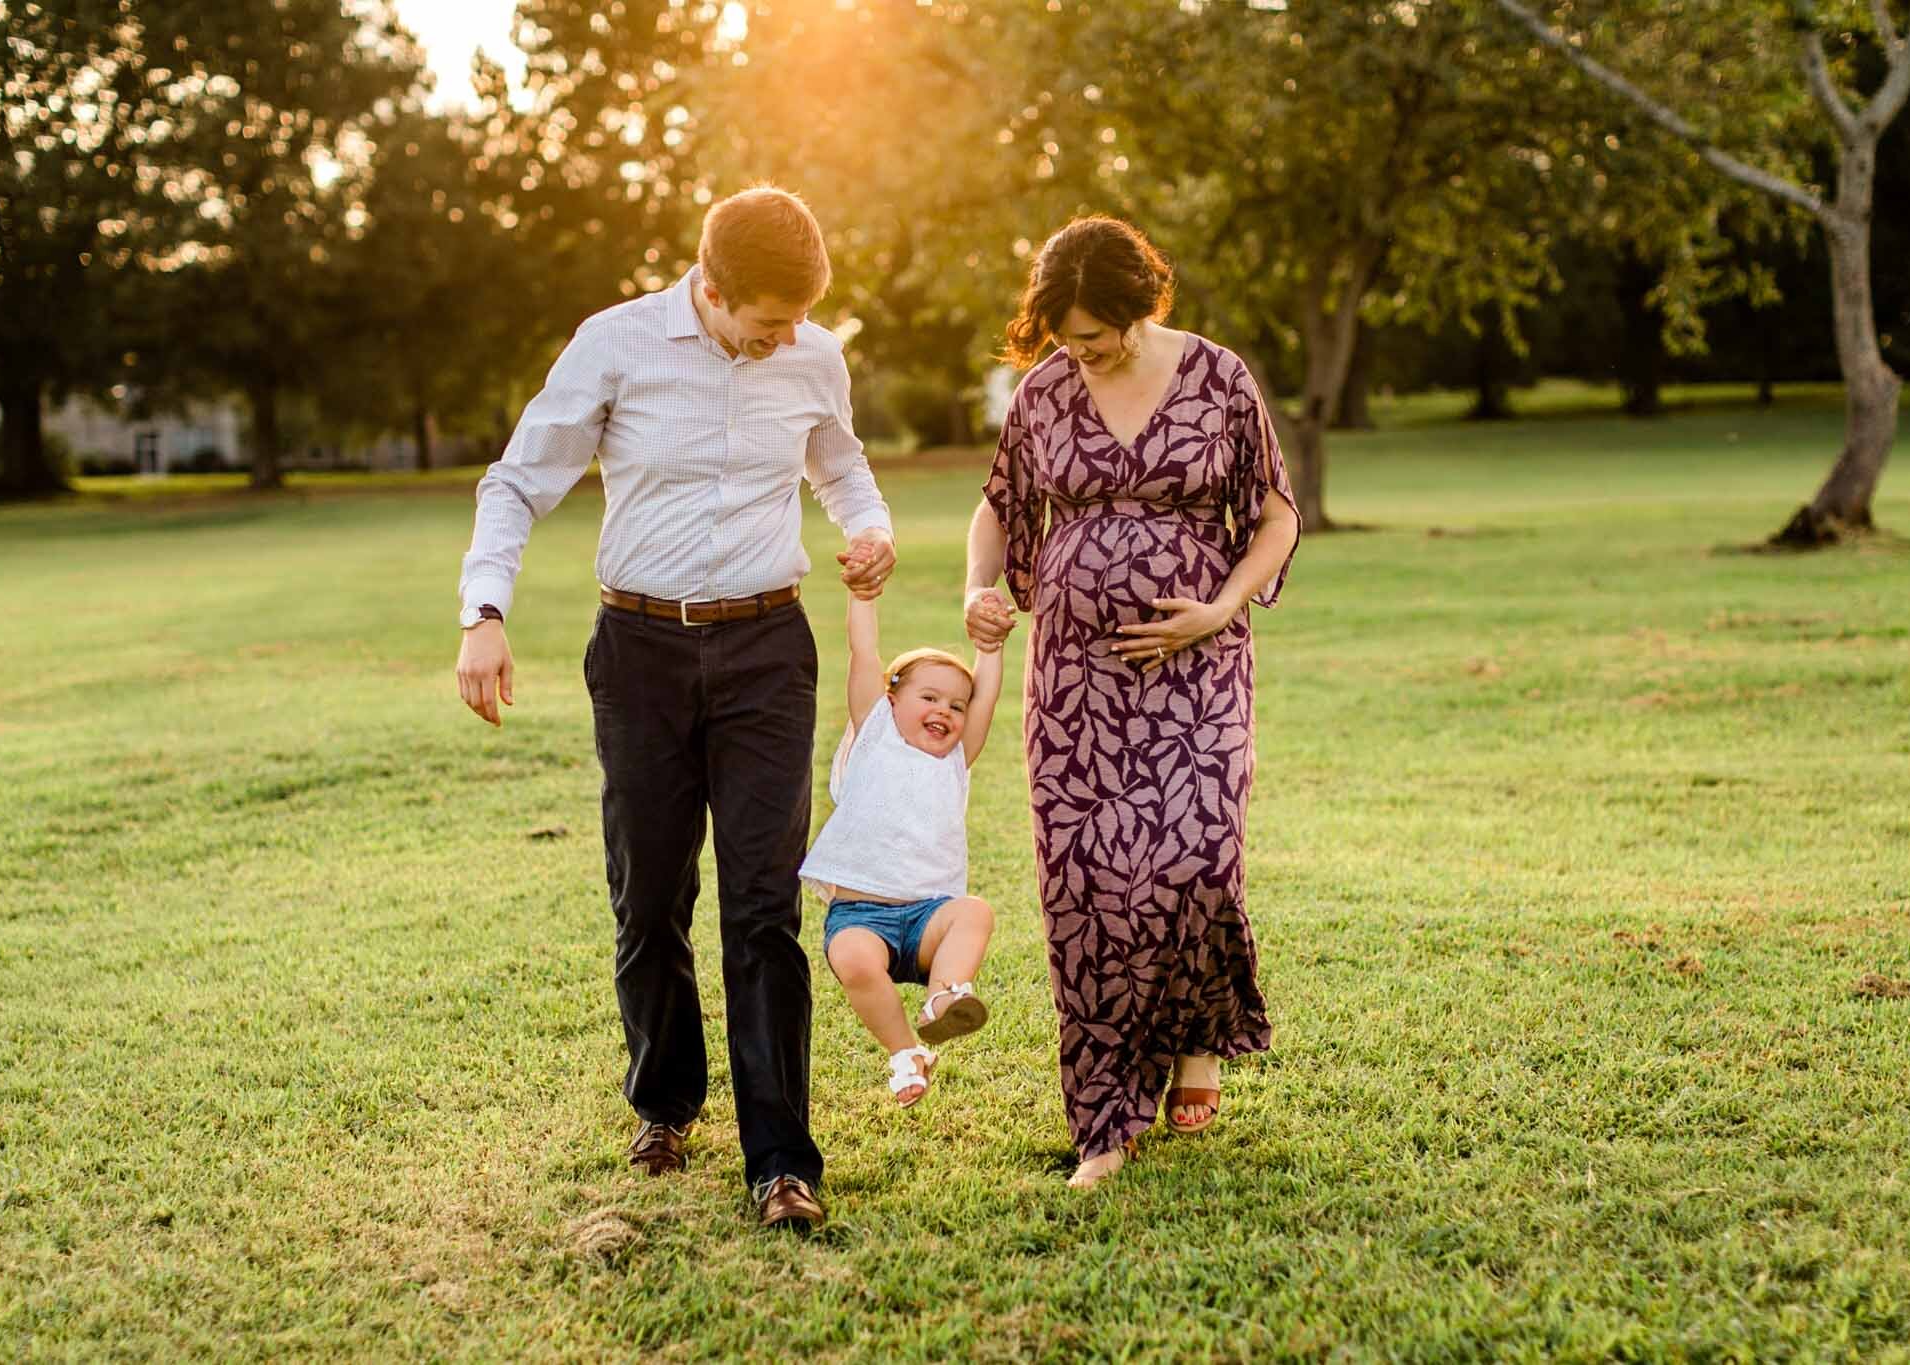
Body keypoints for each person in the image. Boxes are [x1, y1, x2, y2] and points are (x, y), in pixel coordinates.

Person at [454, 187, 897, 1232]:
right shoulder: (614, 346)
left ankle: (781, 1162)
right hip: (641, 649)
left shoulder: (812, 354)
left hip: (765, 649)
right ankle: (664, 1102)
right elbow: (516, 484)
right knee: (648, 895)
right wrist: (483, 611)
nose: (786, 337)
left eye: (798, 319)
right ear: (708, 288)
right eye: (766, 320)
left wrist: (867, 523)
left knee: (761, 908)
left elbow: (840, 462)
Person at [962, 216, 1300, 1188]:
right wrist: (979, 587)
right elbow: (1000, 504)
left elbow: (1273, 513)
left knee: (1193, 855)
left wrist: (1219, 610)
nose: (1083, 351)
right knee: (1084, 887)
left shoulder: (1216, 378)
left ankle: (1194, 1040)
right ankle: (1104, 1119)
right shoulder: (1043, 391)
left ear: (1138, 304)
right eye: (1066, 336)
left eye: (1095, 333)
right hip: (1075, 675)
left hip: (1197, 660)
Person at [798, 584, 1003, 1107]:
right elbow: (864, 652)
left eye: (956, 705)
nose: (946, 712)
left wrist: (991, 648)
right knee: (851, 958)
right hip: (862, 916)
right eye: (929, 698)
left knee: (974, 913)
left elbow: (987, 698)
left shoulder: (954, 759)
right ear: (891, 700)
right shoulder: (875, 735)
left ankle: (945, 995)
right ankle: (905, 1052)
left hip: (929, 914)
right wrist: (862, 597)